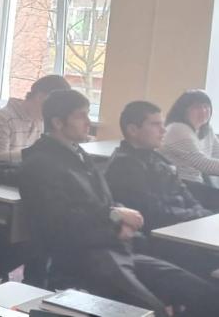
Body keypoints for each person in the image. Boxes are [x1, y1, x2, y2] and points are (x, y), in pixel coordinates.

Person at [19, 89, 219, 317]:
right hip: (85, 257)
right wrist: (115, 222)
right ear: (57, 122)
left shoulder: (78, 155)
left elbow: (106, 202)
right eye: (81, 116)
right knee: (153, 312)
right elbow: (61, 222)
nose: (88, 122)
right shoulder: (40, 164)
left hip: (117, 249)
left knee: (205, 295)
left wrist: (121, 215)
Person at [106, 100, 218, 279]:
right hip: (163, 241)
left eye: (162, 124)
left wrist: (202, 215)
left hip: (184, 228)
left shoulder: (158, 158)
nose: (163, 130)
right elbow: (154, 213)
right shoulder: (125, 166)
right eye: (155, 124)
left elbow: (185, 195)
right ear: (133, 130)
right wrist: (200, 217)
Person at [0, 75, 70, 163]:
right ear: (40, 97)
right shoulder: (2, 118)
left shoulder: (40, 121)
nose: (56, 110)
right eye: (55, 104)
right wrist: (34, 153)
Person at [160, 90, 219, 183]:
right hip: (180, 183)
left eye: (206, 106)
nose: (203, 111)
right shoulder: (177, 128)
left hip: (198, 182)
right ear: (183, 110)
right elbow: (203, 164)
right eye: (197, 107)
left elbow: (217, 154)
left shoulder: (206, 129)